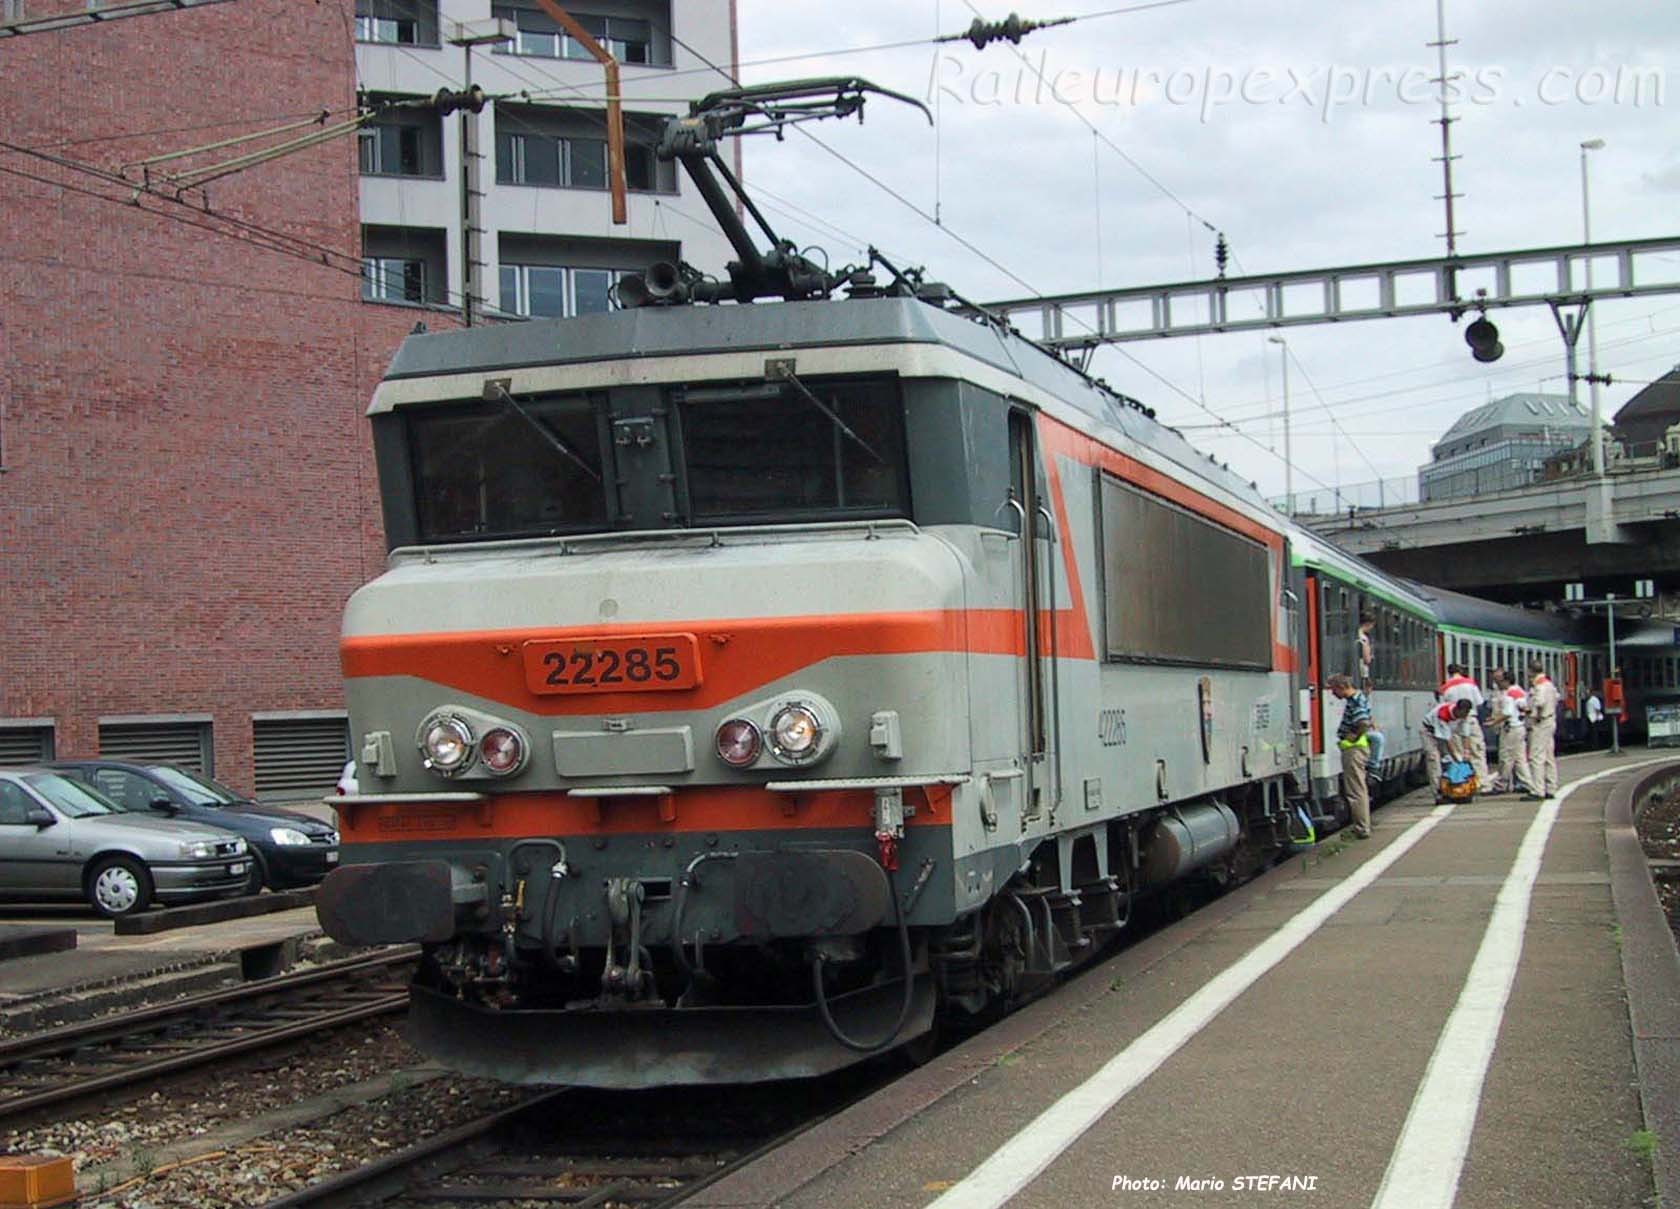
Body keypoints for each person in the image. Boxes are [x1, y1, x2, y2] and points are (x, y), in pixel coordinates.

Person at [1328, 673, 1372, 840]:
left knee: (1355, 790)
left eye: (1334, 690)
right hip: (1356, 748)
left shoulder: (1356, 701)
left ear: (1342, 687)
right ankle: (1362, 826)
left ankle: (1361, 828)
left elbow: (1363, 723)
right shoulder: (1357, 698)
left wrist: (1351, 737)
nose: (1333, 694)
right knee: (1357, 788)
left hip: (1354, 750)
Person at [1439, 663, 1489, 786]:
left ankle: (1462, 782)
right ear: (1461, 671)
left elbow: (1442, 706)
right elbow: (1479, 702)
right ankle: (1483, 783)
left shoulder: (1445, 688)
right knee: (1477, 753)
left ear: (1449, 673)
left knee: (1458, 755)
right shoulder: (1470, 683)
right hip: (1471, 719)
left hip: (1453, 722)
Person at [1490, 668, 1535, 796]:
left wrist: (1494, 722)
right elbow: (1524, 709)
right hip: (1520, 727)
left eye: (1500, 681)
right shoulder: (1520, 691)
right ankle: (1529, 784)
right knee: (1520, 759)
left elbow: (1507, 713)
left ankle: (1500, 785)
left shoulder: (1509, 694)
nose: (1498, 683)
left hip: (1511, 729)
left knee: (1506, 758)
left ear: (1507, 681)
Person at [1422, 698, 1473, 800]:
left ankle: (1453, 788)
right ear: (1458, 710)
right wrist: (1456, 759)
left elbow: (1466, 735)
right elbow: (1447, 741)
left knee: (1451, 760)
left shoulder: (1465, 716)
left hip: (1446, 733)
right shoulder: (1443, 714)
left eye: (1468, 712)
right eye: (1464, 712)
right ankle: (1438, 793)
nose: (1466, 715)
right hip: (1429, 733)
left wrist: (1466, 753)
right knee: (1434, 760)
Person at [1525, 660, 1560, 800]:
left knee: (1536, 756)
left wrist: (1534, 713)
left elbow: (1539, 703)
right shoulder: (1550, 684)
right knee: (1548, 756)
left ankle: (1537, 790)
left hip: (1541, 722)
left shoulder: (1539, 686)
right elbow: (1556, 698)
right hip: (1550, 720)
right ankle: (1551, 788)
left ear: (1531, 671)